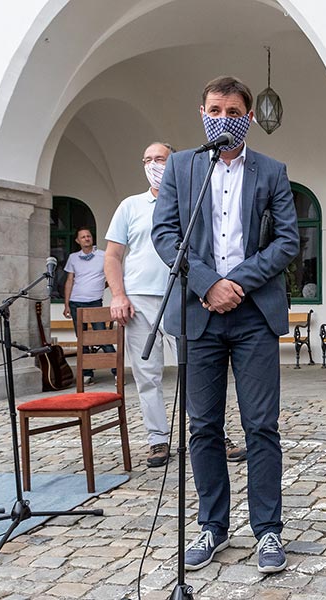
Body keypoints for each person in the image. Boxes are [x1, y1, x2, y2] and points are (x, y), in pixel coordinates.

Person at [152, 76, 299, 574]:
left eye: (233, 109)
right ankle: (212, 526)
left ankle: (268, 531)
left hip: (255, 315)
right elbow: (167, 234)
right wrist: (208, 284)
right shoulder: (181, 166)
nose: (223, 117)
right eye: (215, 108)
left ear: (249, 116)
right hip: (199, 316)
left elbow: (287, 241)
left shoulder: (273, 171)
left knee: (261, 426)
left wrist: (234, 282)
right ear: (202, 112)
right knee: (203, 426)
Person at [104, 142, 246, 469]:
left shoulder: (191, 199)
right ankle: (157, 439)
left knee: (198, 371)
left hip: (184, 295)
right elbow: (112, 255)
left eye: (160, 159)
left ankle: (212, 433)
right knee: (147, 374)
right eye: (147, 159)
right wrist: (118, 295)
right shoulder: (130, 206)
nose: (153, 164)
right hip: (140, 300)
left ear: (175, 163)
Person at [62, 226, 116, 385]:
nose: (87, 238)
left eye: (89, 236)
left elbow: (112, 275)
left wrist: (101, 287)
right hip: (76, 302)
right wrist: (66, 305)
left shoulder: (103, 256)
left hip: (94, 302)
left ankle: (116, 372)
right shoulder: (73, 258)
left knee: (103, 336)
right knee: (82, 339)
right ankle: (87, 374)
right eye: (83, 237)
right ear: (78, 241)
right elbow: (69, 281)